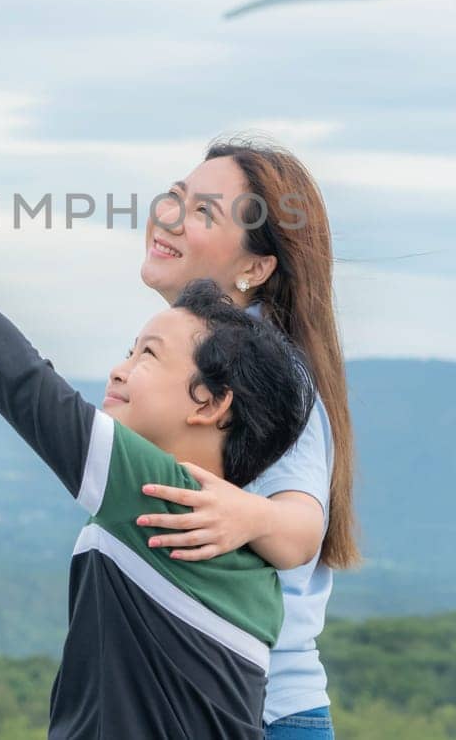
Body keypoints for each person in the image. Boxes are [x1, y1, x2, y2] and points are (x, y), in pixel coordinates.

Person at [0, 143, 315, 739]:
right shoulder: (245, 561)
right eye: (128, 351)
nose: (119, 371)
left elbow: (8, 365)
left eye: (147, 355)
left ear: (211, 402)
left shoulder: (158, 499)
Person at [133, 135, 361, 740]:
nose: (172, 216)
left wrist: (247, 514)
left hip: (262, 715)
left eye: (204, 212)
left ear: (256, 268)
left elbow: (300, 529)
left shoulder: (268, 370)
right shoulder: (199, 356)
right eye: (178, 196)